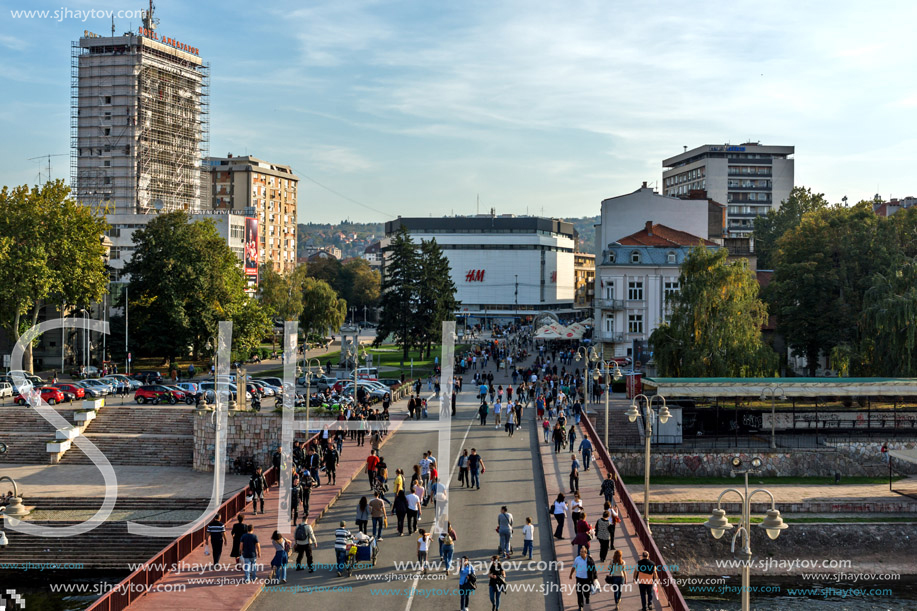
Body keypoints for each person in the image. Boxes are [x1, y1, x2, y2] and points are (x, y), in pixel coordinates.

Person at [568, 546, 595, 611]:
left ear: (585, 552)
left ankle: (587, 597)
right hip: (579, 578)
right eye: (580, 551)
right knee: (579, 592)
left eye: (582, 552)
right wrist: (571, 574)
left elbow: (594, 569)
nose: (581, 553)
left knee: (586, 591)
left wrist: (594, 578)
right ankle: (580, 606)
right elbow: (574, 567)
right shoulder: (577, 559)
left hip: (587, 579)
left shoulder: (589, 559)